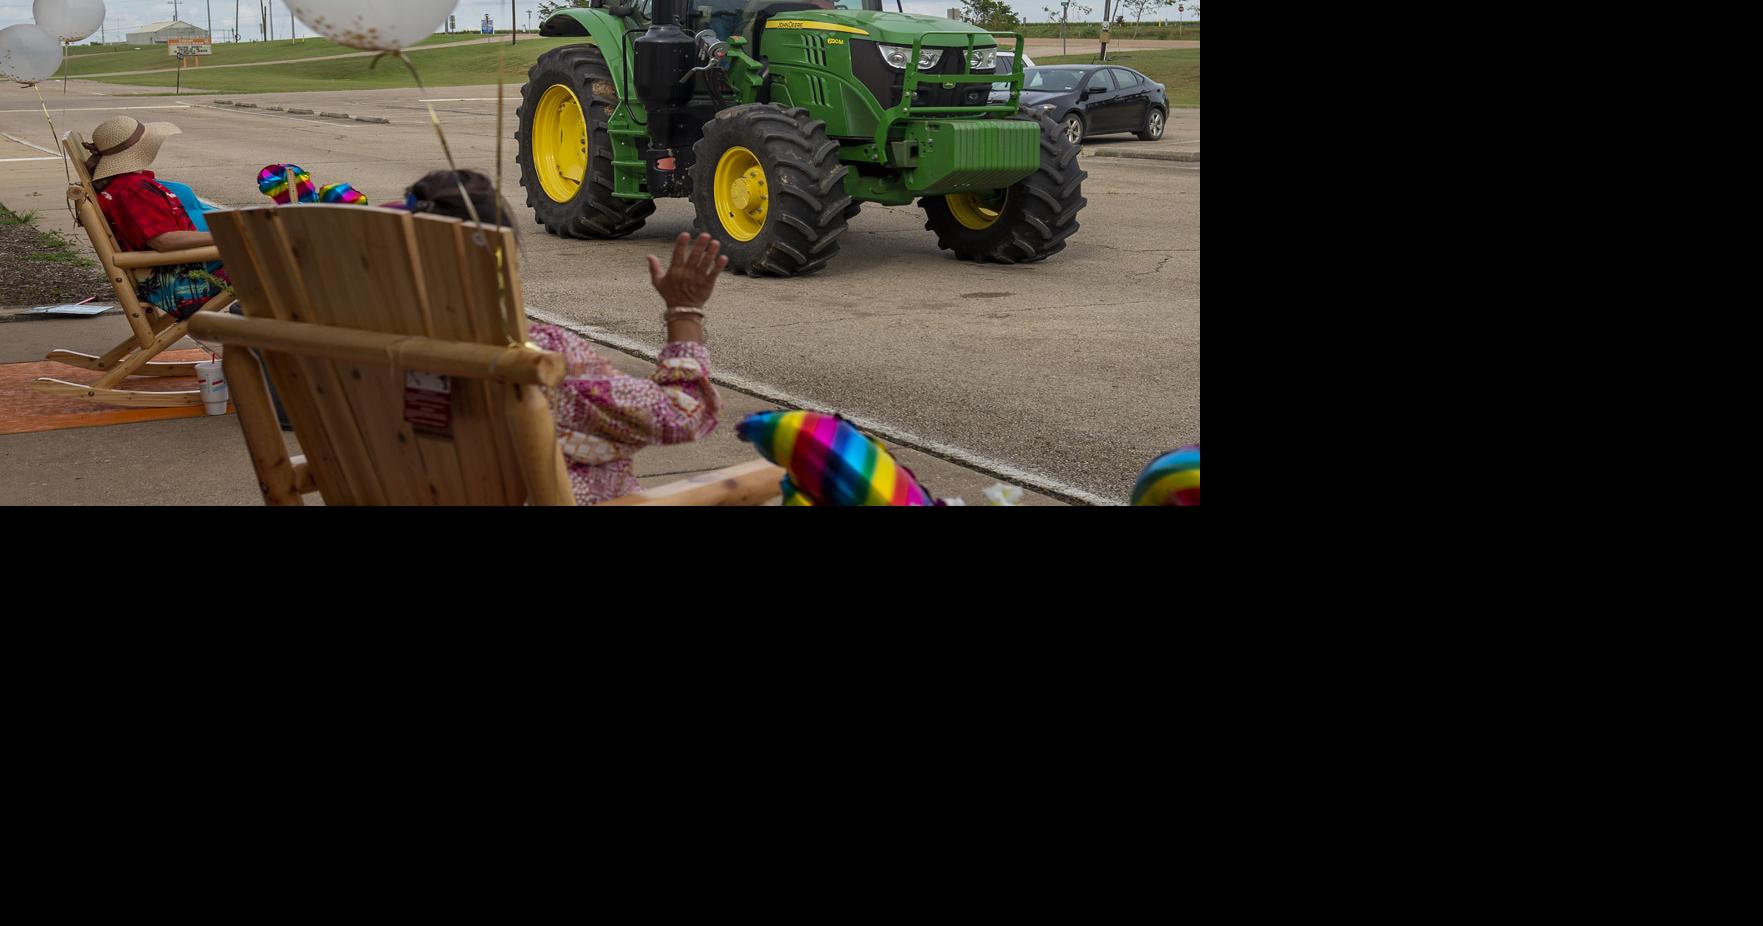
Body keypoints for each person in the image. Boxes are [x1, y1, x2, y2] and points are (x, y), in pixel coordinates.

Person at [401, 169, 728, 504]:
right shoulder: (541, 358)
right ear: (504, 263)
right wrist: (684, 311)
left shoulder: (363, 359)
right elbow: (683, 414)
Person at [83, 116, 228, 320]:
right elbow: (162, 241)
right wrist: (228, 236)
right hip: (181, 283)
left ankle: (262, 318)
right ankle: (266, 325)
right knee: (273, 254)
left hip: (180, 270)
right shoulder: (131, 190)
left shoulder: (125, 185)